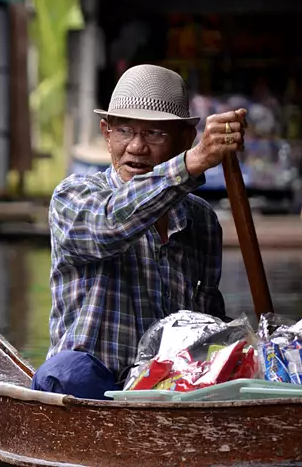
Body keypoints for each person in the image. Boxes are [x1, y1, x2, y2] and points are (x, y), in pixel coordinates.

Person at [32, 64, 247, 400]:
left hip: (171, 392)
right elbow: (111, 226)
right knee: (65, 373)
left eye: (155, 134)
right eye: (124, 131)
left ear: (183, 140)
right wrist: (192, 163)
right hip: (91, 390)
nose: (136, 147)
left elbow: (207, 323)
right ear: (106, 132)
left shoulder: (202, 221)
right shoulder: (74, 197)